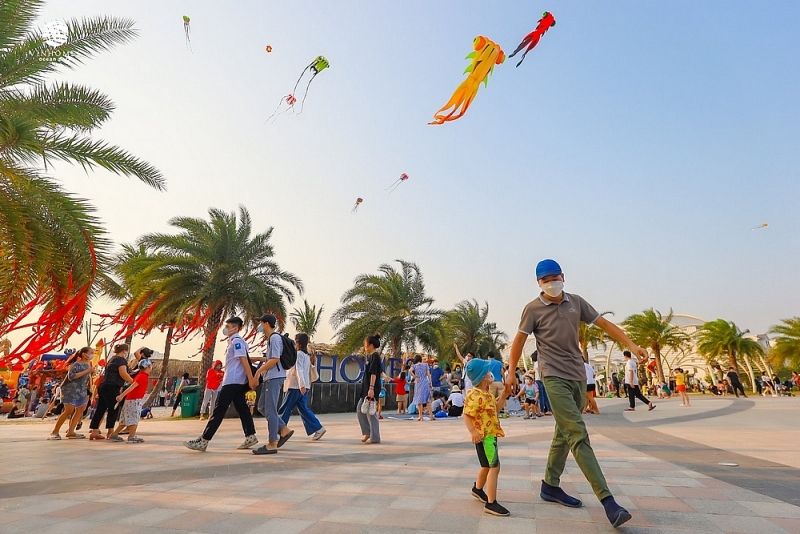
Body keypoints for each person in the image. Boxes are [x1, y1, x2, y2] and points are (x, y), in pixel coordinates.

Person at [507, 259, 647, 528]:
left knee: (564, 431)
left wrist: (632, 344)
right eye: (545, 280)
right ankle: (609, 502)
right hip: (552, 376)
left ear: (563, 276)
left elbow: (604, 324)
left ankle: (550, 485)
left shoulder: (576, 302)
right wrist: (512, 371)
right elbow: (519, 341)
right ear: (538, 283)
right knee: (577, 433)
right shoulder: (533, 309)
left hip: (578, 376)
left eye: (554, 277)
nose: (551, 283)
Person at [184, 317, 259, 452]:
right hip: (236, 381)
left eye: (228, 326)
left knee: (219, 410)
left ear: (235, 328)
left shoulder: (236, 341)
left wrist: (251, 378)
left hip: (232, 381)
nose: (226, 329)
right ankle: (250, 435)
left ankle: (204, 440)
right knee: (242, 408)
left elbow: (244, 360)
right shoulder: (236, 341)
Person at [463, 358, 509, 517]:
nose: (492, 374)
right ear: (483, 377)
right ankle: (491, 503)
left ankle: (477, 489)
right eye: (489, 372)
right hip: (485, 438)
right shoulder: (474, 395)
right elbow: (467, 415)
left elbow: (494, 410)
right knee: (494, 467)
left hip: (490, 435)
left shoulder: (487, 393)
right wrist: (473, 432)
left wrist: (503, 397)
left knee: (486, 466)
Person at [251, 314, 295, 455]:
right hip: (271, 377)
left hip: (274, 378)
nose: (259, 326)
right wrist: (258, 358)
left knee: (270, 410)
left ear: (266, 324)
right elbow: (271, 358)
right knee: (262, 407)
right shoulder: (272, 339)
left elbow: (275, 359)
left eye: (261, 323)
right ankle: (283, 429)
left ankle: (272, 443)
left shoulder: (275, 338)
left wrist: (259, 372)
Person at [277, 333, 326, 442]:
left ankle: (278, 431)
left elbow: (299, 370)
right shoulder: (306, 355)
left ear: (298, 342)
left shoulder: (298, 354)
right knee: (303, 409)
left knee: (285, 408)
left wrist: (301, 385)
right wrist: (304, 385)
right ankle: (318, 428)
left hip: (295, 387)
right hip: (303, 387)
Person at [89, 344, 135, 440]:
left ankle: (94, 431)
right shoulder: (121, 360)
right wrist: (133, 381)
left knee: (101, 408)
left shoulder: (112, 359)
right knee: (113, 409)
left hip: (103, 385)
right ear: (124, 351)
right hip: (112, 386)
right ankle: (110, 432)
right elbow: (123, 373)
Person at [49, 347, 94, 440]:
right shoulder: (76, 364)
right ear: (84, 354)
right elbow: (71, 376)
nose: (92, 354)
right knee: (68, 410)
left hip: (81, 390)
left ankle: (71, 431)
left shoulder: (88, 364)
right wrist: (87, 371)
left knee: (80, 410)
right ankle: (55, 431)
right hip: (70, 390)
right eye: (91, 352)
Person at [109, 357, 152, 443]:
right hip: (134, 400)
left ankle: (114, 434)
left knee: (125, 419)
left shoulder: (140, 375)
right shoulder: (142, 376)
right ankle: (132, 436)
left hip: (130, 399)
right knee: (134, 418)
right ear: (148, 367)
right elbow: (132, 386)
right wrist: (121, 396)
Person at [357, 334, 382, 444]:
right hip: (366, 387)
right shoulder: (371, 356)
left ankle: (375, 437)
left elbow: (374, 373)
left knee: (371, 412)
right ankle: (367, 432)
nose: (365, 347)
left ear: (371, 345)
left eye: (366, 345)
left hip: (371, 388)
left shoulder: (375, 356)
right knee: (360, 409)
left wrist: (371, 388)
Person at [411, 355, 434, 422]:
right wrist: (430, 382)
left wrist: (415, 376)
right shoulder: (425, 365)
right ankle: (431, 415)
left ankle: (420, 416)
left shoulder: (414, 366)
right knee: (427, 399)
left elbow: (410, 371)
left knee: (419, 400)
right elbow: (428, 374)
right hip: (425, 382)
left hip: (418, 383)